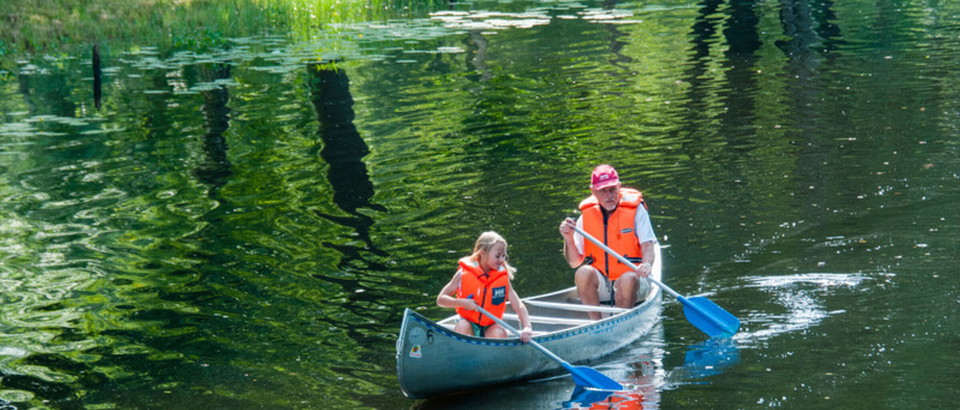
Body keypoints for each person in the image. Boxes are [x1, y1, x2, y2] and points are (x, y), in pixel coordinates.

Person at [559, 164, 657, 320]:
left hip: (635, 280)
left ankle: (621, 321)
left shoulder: (636, 211)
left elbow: (648, 246)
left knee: (627, 279)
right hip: (603, 284)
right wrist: (568, 237)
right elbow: (574, 262)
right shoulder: (586, 216)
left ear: (619, 186)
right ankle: (596, 323)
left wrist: (646, 265)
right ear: (593, 191)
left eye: (612, 189)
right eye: (603, 191)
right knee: (583, 272)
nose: (609, 195)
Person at [437, 231, 534, 343]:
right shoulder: (463, 274)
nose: (501, 260)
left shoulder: (502, 278)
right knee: (462, 326)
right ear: (483, 253)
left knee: (498, 333)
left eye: (503, 256)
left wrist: (527, 327)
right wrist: (462, 303)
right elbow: (441, 300)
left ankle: (493, 353)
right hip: (469, 324)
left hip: (490, 326)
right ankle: (464, 351)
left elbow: (518, 305)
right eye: (497, 256)